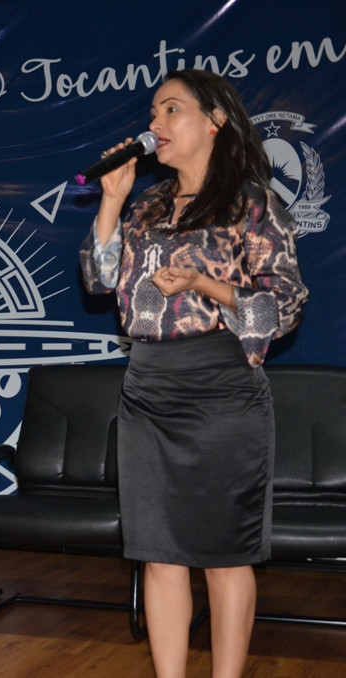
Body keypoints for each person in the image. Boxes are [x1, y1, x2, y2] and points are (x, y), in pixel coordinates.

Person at [79, 69, 308, 678]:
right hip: (147, 390)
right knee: (159, 556)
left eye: (171, 109)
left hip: (222, 391)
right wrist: (111, 200)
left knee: (226, 557)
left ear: (215, 122)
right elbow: (99, 281)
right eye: (153, 112)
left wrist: (206, 284)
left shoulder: (253, 204)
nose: (155, 123)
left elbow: (286, 305)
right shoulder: (148, 205)